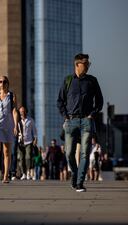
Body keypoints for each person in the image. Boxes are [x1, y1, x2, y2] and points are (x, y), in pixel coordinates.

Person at [57, 53, 103, 192]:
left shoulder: (92, 81)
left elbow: (99, 101)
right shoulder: (68, 80)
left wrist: (92, 115)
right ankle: (75, 174)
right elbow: (60, 101)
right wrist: (65, 117)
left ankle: (79, 182)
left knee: (84, 153)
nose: (88, 66)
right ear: (77, 64)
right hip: (70, 121)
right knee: (69, 153)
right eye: (85, 63)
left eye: (89, 64)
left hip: (86, 121)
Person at [17, 106, 38, 180]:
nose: (22, 113)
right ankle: (24, 174)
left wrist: (35, 139)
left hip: (29, 141)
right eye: (21, 111)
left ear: (26, 111)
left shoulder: (30, 120)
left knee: (28, 157)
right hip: (20, 142)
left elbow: (34, 130)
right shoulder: (18, 121)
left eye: (23, 111)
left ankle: (28, 172)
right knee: (21, 158)